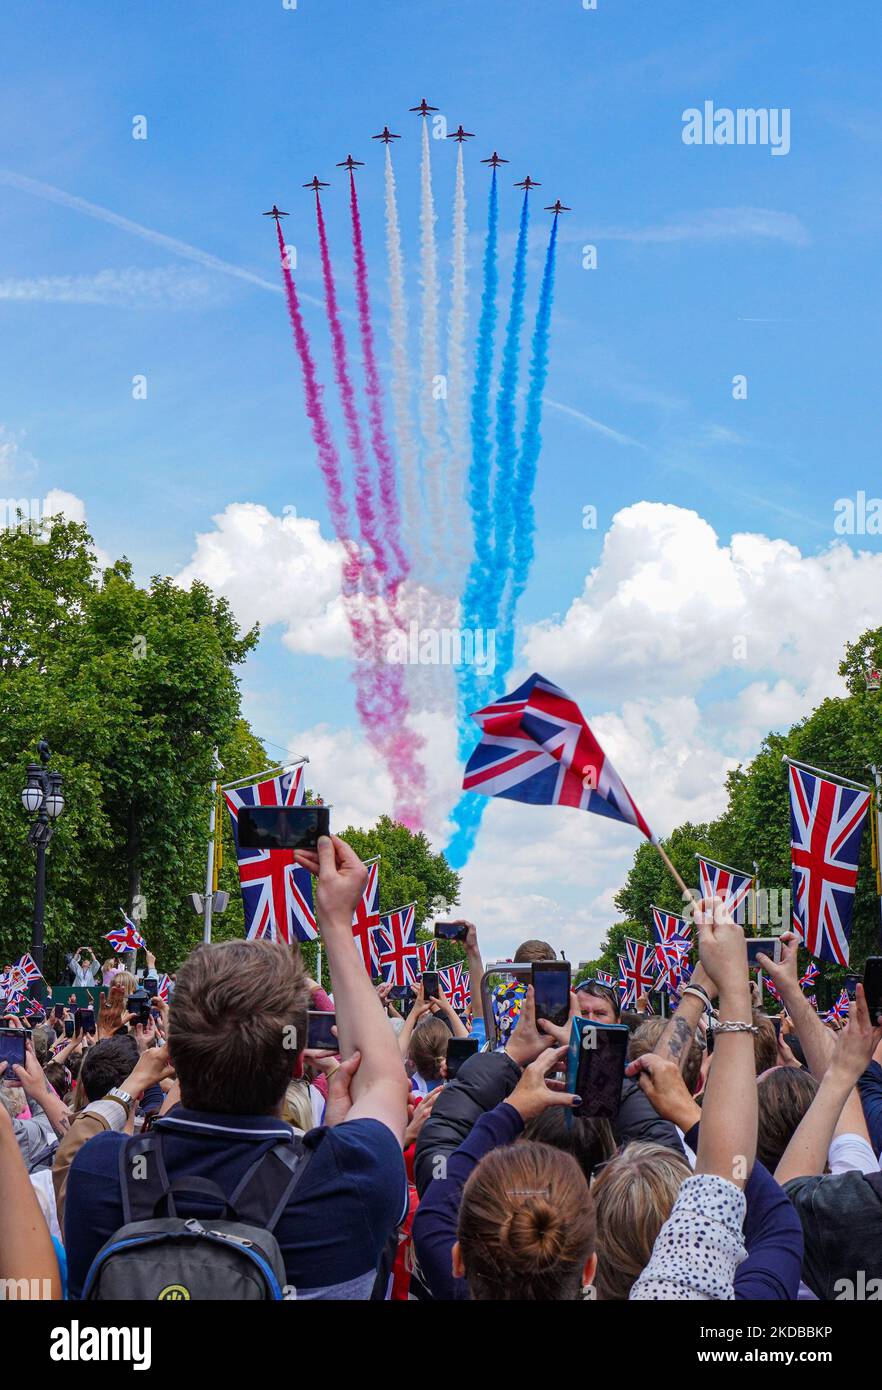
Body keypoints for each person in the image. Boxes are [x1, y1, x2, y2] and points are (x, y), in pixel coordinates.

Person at [64, 834, 411, 1300]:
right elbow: (384, 1076)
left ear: (171, 1055)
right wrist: (335, 920)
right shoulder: (350, 1175)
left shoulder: (101, 1172)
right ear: (296, 1063)